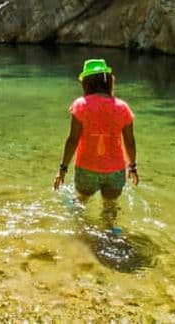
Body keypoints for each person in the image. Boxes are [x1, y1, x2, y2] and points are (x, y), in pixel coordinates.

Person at [53, 58, 138, 225]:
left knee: (80, 203)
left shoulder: (80, 105)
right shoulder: (122, 108)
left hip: (87, 168)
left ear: (86, 83)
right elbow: (130, 142)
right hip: (115, 170)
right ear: (109, 81)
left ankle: (80, 234)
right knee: (110, 207)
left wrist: (62, 169)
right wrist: (132, 167)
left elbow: (72, 140)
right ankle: (111, 231)